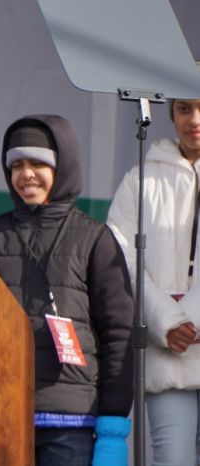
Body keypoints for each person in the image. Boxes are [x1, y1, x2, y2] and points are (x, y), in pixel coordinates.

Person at [0, 114, 134, 465]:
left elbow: (118, 333)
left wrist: (113, 428)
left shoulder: (95, 238)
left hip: (73, 424)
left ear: (63, 165)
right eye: (17, 165)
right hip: (1, 416)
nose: (26, 174)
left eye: (38, 163)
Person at [107, 98, 200, 466]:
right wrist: (168, 321)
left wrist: (190, 318)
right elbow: (120, 255)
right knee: (172, 458)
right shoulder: (141, 178)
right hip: (166, 349)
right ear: (171, 114)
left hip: (182, 333)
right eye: (184, 109)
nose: (194, 120)